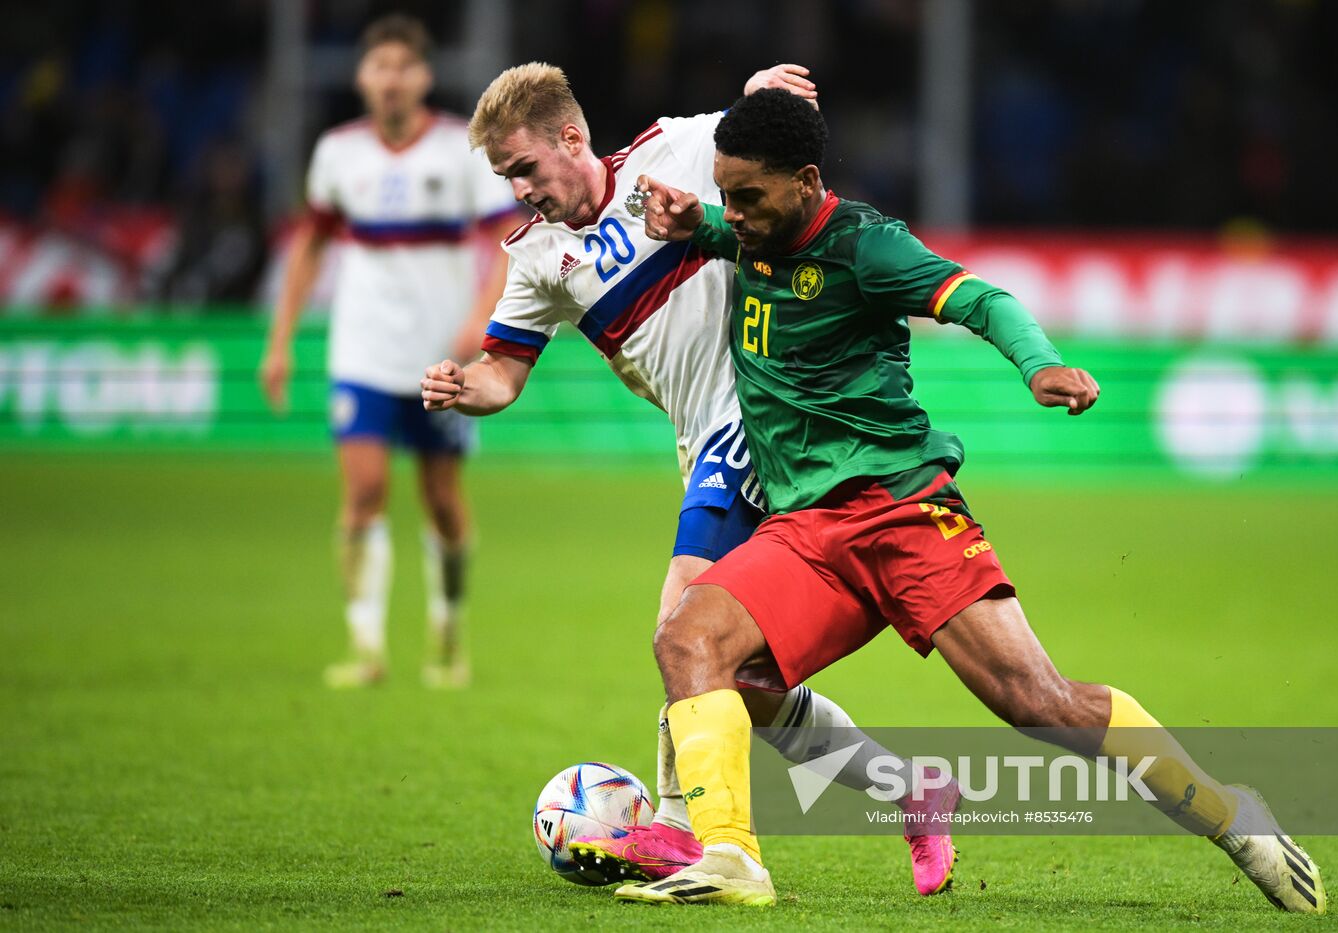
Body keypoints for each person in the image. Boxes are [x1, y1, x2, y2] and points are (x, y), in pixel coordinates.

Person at [617, 88, 1327, 911]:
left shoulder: (869, 248)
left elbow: (983, 299)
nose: (732, 213)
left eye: (746, 197)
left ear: (807, 181)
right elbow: (731, 228)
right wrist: (693, 221)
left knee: (1040, 703)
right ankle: (731, 856)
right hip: (806, 530)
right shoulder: (754, 231)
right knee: (691, 642)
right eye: (723, 193)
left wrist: (1040, 365)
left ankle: (1230, 814)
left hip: (901, 514)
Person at [420, 63, 961, 896]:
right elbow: (504, 371)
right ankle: (913, 792)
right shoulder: (535, 258)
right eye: (506, 178)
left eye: (525, 167)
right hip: (699, 444)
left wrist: (754, 92)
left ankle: (679, 825)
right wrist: (467, 385)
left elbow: (750, 139)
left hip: (752, 415)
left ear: (573, 138)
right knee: (743, 681)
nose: (522, 190)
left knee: (681, 620)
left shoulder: (671, 150)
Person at [260, 14, 520, 689]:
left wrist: (482, 318)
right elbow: (310, 247)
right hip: (363, 352)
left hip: (441, 359)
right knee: (365, 490)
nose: (393, 79)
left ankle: (447, 630)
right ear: (362, 77)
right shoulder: (338, 153)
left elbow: (507, 239)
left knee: (441, 500)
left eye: (405, 66)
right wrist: (280, 341)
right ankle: (366, 644)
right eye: (381, 67)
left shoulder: (460, 150)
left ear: (425, 77)